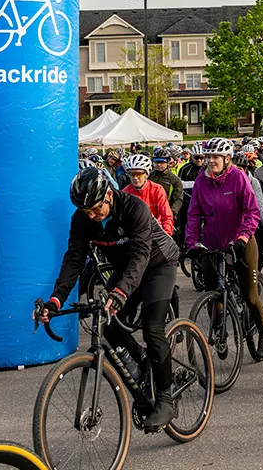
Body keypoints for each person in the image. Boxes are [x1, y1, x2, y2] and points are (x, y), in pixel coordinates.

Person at [38, 166, 179, 429]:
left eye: (95, 209)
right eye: (85, 211)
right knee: (107, 323)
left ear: (109, 196)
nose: (91, 216)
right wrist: (56, 299)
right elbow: (73, 260)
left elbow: (140, 256)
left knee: (152, 328)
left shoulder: (134, 208)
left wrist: (121, 291)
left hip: (158, 263)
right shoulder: (82, 219)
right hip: (127, 269)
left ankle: (165, 399)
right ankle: (145, 360)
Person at [185, 138, 263, 356]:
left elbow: (252, 211)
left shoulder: (239, 178)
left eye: (215, 157)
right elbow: (194, 215)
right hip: (213, 244)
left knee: (251, 296)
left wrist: (242, 238)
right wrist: (192, 242)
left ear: (227, 159)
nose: (210, 161)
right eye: (207, 157)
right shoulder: (201, 182)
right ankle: (220, 332)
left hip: (241, 243)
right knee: (213, 294)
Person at [122, 154, 174, 236]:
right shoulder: (125, 192)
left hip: (156, 233)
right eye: (132, 174)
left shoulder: (157, 189)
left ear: (146, 174)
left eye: (139, 174)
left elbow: (166, 216)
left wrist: (167, 234)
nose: (135, 178)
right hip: (135, 235)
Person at [150, 148, 185, 231]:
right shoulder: (149, 176)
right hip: (151, 213)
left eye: (162, 162)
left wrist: (171, 214)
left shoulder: (175, 179)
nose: (159, 165)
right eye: (157, 162)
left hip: (168, 213)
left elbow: (178, 199)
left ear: (168, 162)